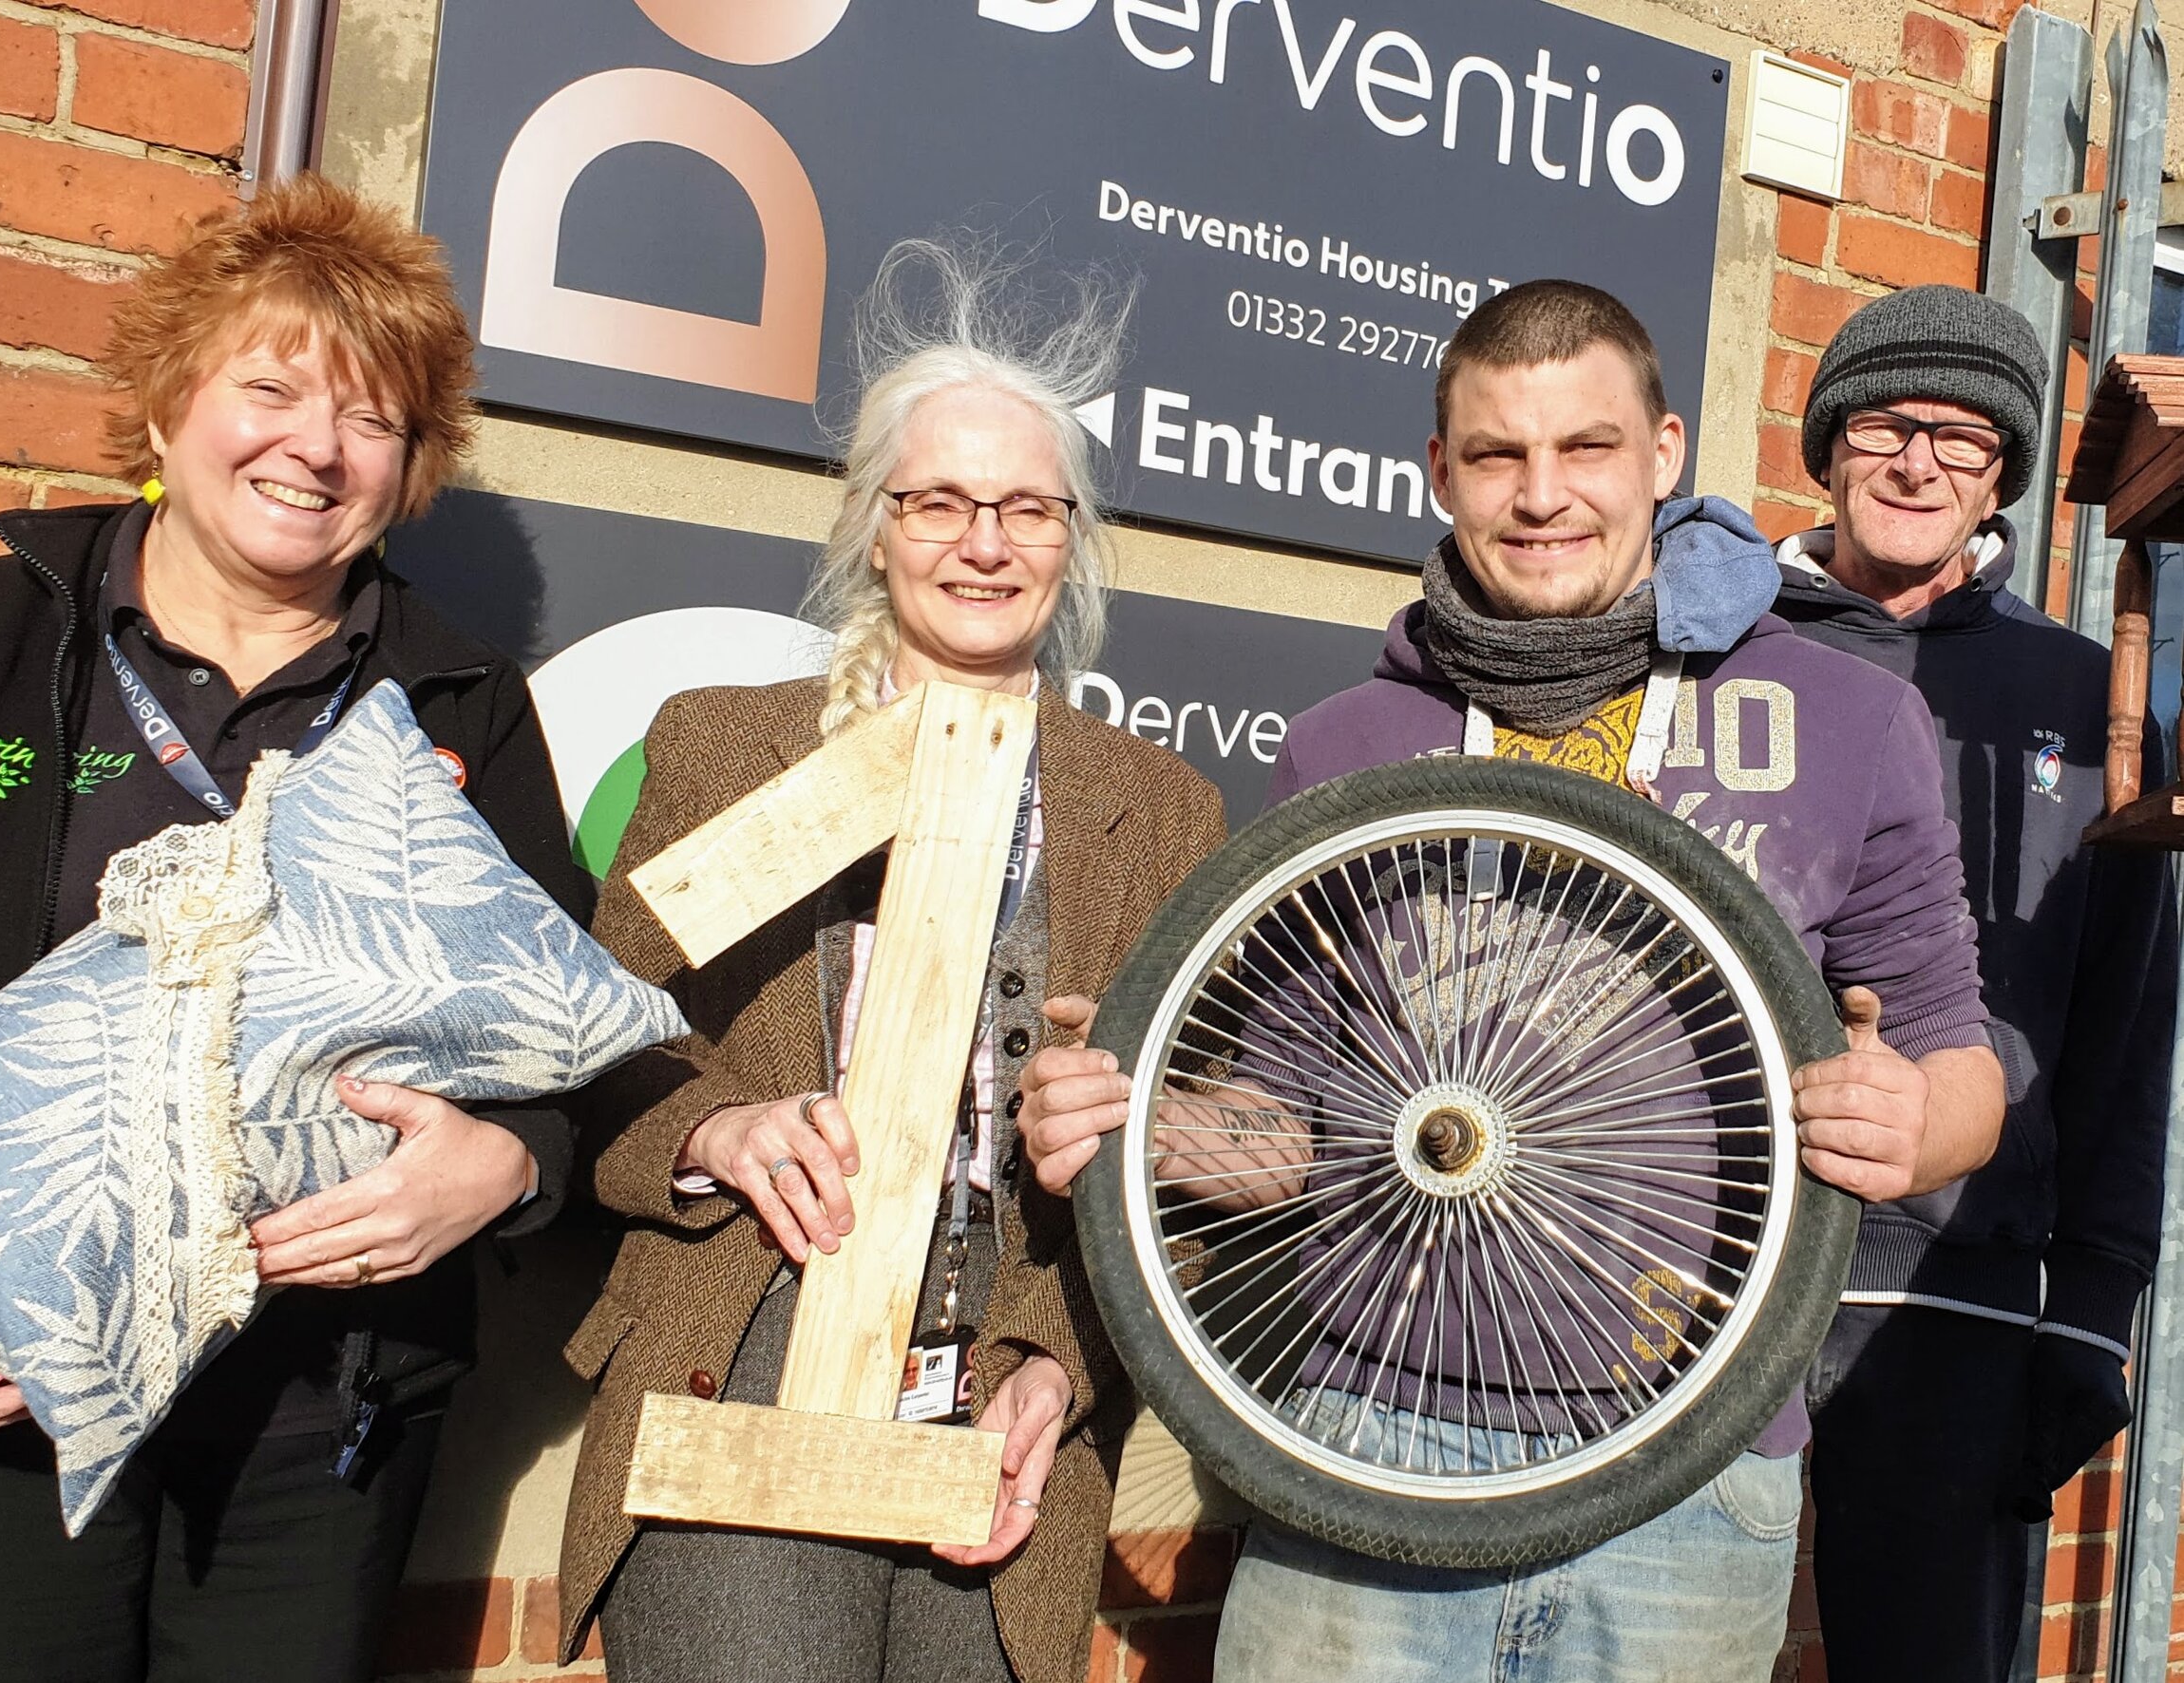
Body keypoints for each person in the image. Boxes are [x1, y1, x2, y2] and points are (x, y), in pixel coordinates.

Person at [1019, 278, 2003, 1681]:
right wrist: (1134, 1128)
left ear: (1663, 455)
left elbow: (1963, 1067)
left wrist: (1916, 1124)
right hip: (1367, 1443)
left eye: (1586, 449)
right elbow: (1293, 1128)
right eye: (1498, 456)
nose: (1543, 497)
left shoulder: (1850, 718)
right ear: (1441, 473)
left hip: (1692, 1454)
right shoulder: (1348, 746)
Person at [0, 174, 592, 1683]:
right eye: (274, 387)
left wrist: (507, 1162)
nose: (317, 446)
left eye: (373, 420)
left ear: (409, 468)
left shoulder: (459, 702)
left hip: (316, 1424)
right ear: (168, 409)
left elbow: (557, 1045)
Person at [553, 241, 1225, 1683]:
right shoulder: (723, 746)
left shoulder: (1162, 809)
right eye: (939, 502)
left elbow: (1185, 1148)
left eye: (1028, 507)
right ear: (875, 527)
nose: (985, 542)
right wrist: (717, 1130)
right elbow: (597, 1048)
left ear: (1071, 538)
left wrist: (1068, 1370)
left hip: (1009, 1374)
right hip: (745, 1345)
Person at [1770, 284, 2177, 1683]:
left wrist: (2094, 1309)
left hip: (1961, 1296)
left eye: (1964, 437)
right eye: (1885, 422)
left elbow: (2126, 1031)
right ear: (1827, 444)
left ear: (2001, 470)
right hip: (1715, 1271)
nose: (1919, 460)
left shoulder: (2081, 696)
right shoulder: (1723, 657)